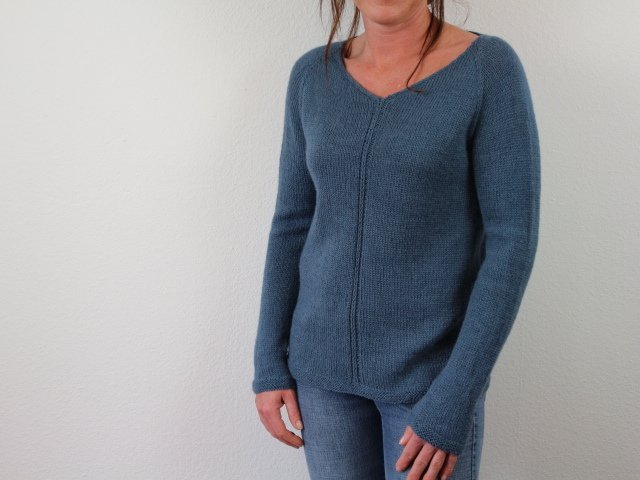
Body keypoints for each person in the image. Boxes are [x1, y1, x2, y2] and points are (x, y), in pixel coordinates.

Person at [251, 1, 540, 479]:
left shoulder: (488, 69)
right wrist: (268, 361)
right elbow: (292, 223)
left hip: (429, 386)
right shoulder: (312, 76)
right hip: (321, 384)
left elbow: (512, 242)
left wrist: (456, 396)